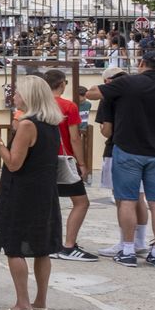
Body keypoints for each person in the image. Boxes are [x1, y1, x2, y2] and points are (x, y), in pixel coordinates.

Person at [87, 50, 155, 269]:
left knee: (127, 200)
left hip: (128, 150)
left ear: (141, 63)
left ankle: (128, 249)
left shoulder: (128, 83)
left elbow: (93, 94)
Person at [0, 75, 63, 310]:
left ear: (28, 96)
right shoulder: (51, 122)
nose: (13, 96)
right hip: (45, 190)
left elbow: (14, 163)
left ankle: (22, 304)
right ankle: (40, 303)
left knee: (14, 245)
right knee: (42, 248)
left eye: (17, 93)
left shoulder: (28, 124)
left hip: (22, 191)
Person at [42, 70, 95, 261]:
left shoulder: (38, 105)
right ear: (62, 84)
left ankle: (46, 242)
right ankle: (68, 245)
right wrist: (82, 163)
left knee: (47, 202)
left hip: (42, 160)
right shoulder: (68, 106)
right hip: (63, 159)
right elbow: (74, 138)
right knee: (81, 202)